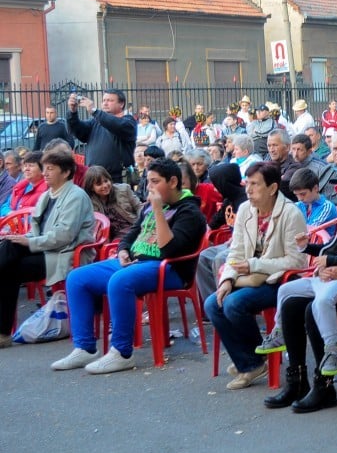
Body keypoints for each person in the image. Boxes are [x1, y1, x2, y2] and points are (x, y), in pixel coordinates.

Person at [54, 158, 205, 373]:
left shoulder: (189, 212)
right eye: (148, 181)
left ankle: (122, 352)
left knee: (120, 281)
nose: (149, 187)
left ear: (173, 182)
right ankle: (85, 347)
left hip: (169, 269)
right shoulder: (148, 207)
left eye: (155, 181)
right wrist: (123, 250)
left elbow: (170, 250)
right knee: (77, 278)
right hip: (136, 262)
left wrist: (158, 211)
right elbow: (131, 235)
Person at [256, 182, 337, 409]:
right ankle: (293, 372)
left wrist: (332, 263)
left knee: (315, 306)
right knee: (288, 296)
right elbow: (330, 249)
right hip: (331, 278)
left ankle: (327, 370)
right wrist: (309, 248)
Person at [204, 162, 308, 390]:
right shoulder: (245, 210)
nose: (248, 189)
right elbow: (236, 251)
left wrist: (254, 264)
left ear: (272, 188)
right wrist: (227, 280)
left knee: (233, 304)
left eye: (255, 184)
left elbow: (297, 260)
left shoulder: (290, 213)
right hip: (248, 277)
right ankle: (250, 360)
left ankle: (251, 363)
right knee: (213, 303)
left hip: (279, 280)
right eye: (247, 183)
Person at [0, 149, 95, 348]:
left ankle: (3, 333)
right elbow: (37, 229)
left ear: (66, 172)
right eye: (45, 168)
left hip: (65, 254)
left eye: (51, 169)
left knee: (9, 270)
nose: (45, 173)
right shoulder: (48, 195)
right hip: (46, 248)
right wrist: (24, 238)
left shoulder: (75, 196)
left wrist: (30, 242)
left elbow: (64, 236)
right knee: (10, 246)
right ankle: (3, 333)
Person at [67, 89, 136, 183]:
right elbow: (77, 131)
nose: (105, 103)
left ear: (121, 104)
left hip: (117, 179)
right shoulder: (95, 122)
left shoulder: (128, 121)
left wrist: (94, 111)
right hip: (94, 178)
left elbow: (115, 124)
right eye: (104, 100)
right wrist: (73, 112)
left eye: (110, 100)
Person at [83, 165, 141, 240]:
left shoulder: (123, 189)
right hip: (112, 238)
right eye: (99, 184)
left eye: (106, 181)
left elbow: (139, 207)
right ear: (91, 188)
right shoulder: (90, 202)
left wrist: (142, 223)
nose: (105, 185)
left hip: (134, 229)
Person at [1, 151, 47, 217]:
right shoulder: (20, 186)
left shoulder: (46, 189)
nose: (26, 169)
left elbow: (39, 217)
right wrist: (10, 214)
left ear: (42, 169)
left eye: (31, 166)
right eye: (25, 166)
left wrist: (16, 218)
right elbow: (4, 206)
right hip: (11, 224)